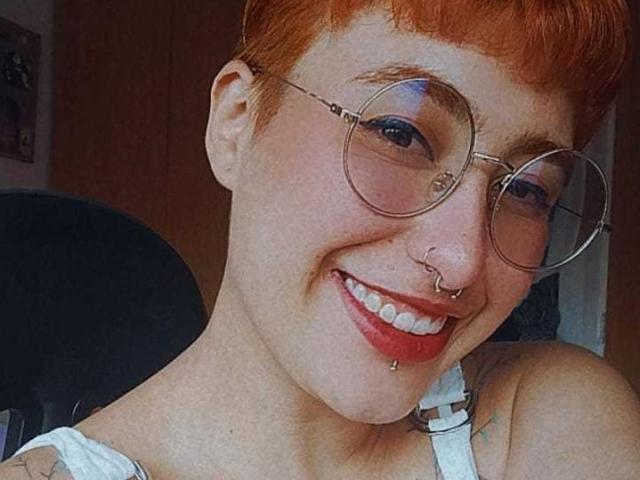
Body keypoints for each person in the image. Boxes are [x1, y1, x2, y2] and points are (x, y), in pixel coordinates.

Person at [2, 1, 640, 478]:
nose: (461, 260)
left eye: (526, 190)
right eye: (399, 135)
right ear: (237, 123)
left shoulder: (548, 426)